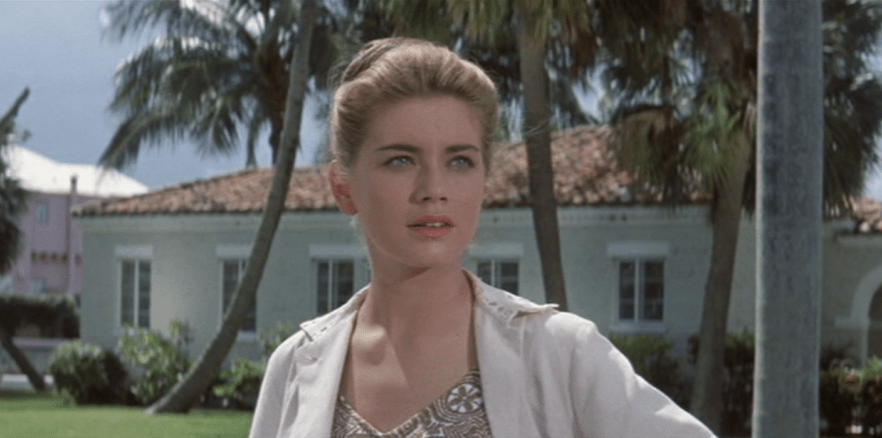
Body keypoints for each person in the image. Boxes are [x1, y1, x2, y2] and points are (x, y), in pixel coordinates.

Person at [249, 37, 715, 438]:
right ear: (343, 188)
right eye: (400, 160)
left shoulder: (560, 352)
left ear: (484, 181)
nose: (434, 189)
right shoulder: (294, 368)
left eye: (460, 161)